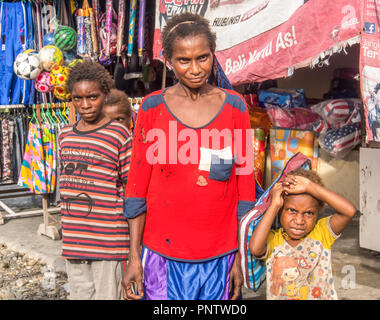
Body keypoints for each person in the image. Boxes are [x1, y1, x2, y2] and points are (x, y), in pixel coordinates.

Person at [122, 12, 255, 300]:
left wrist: (240, 258)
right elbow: (136, 188)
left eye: (203, 58)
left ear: (212, 54)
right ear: (169, 61)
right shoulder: (152, 107)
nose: (195, 69)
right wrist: (134, 257)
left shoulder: (235, 108)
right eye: (184, 60)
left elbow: (244, 191)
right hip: (161, 256)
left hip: (221, 256)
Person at [60, 60, 132, 300]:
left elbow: (130, 190)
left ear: (104, 94)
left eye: (92, 97)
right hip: (74, 242)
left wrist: (134, 251)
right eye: (77, 99)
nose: (85, 105)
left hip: (108, 243)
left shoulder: (119, 134)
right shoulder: (64, 136)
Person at [249, 169, 357, 300]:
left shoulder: (322, 233)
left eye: (308, 213)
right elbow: (255, 249)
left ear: (318, 212)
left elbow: (349, 212)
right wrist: (274, 205)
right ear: (281, 209)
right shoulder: (273, 239)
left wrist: (310, 186)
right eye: (292, 210)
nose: (299, 221)